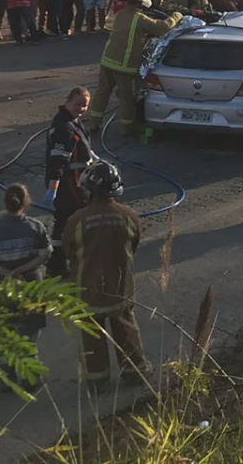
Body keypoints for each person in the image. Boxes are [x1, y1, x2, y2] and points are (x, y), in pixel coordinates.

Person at [63, 161, 150, 388]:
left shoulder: (77, 220)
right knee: (126, 328)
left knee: (91, 334)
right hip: (121, 287)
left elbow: (68, 251)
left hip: (87, 291)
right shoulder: (129, 215)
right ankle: (135, 372)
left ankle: (98, 380)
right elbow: (134, 245)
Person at [0, 184, 51, 390]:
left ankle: (7, 377)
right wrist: (23, 270)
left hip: (2, 286)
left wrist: (7, 273)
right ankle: (32, 376)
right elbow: (45, 253)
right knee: (30, 332)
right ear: (27, 202)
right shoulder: (35, 226)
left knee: (6, 331)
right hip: (30, 285)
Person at [84, 0, 181, 136]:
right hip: (124, 66)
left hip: (107, 61)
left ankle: (93, 124)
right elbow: (163, 28)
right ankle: (127, 128)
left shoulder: (120, 14)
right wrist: (176, 16)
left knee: (102, 93)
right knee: (126, 98)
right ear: (140, 3)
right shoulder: (140, 19)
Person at [42, 86, 93, 279]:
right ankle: (57, 265)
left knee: (68, 223)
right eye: (78, 104)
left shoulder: (74, 122)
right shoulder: (63, 127)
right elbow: (58, 162)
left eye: (84, 106)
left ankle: (62, 263)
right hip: (68, 186)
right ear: (67, 101)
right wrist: (52, 190)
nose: (81, 109)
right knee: (65, 224)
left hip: (78, 182)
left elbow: (82, 144)